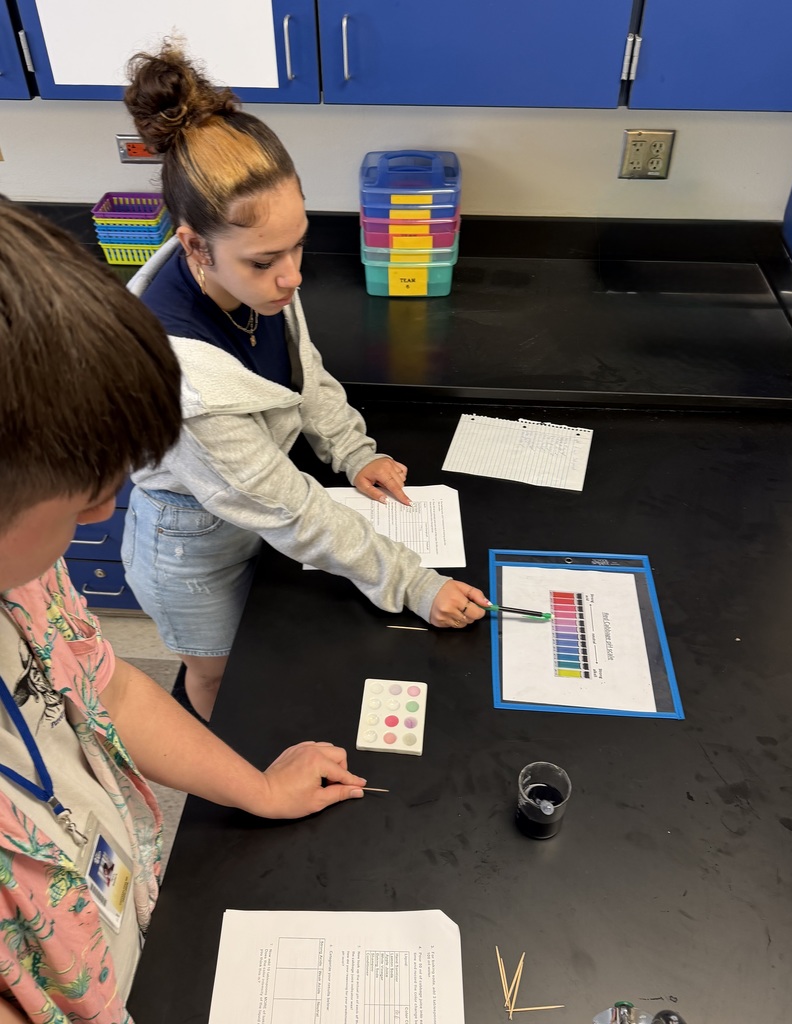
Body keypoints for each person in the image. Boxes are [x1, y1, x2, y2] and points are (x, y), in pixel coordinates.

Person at [0, 199, 367, 1024]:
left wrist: (258, 791)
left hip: (121, 928)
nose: (102, 517)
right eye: (79, 503)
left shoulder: (23, 581)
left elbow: (113, 691)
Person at [121, 44, 490, 720]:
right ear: (193, 244)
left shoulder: (253, 274)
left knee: (271, 670)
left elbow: (302, 371)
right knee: (222, 685)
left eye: (298, 244)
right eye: (267, 260)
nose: (291, 277)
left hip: (253, 512)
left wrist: (355, 452)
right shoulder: (185, 381)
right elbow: (289, 507)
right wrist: (412, 582)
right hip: (191, 547)